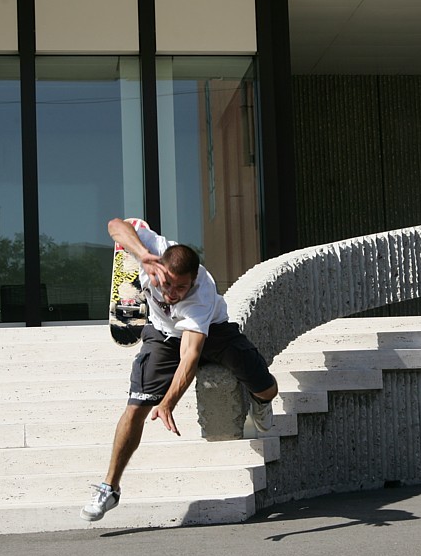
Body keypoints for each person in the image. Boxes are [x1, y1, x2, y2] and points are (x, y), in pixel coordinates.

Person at [81, 217, 279, 522]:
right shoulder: (155, 249)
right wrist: (140, 254)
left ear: (194, 279)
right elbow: (115, 225)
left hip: (213, 333)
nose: (171, 293)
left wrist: (169, 402)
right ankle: (109, 488)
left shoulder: (199, 297)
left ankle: (260, 403)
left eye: (180, 287)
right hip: (162, 336)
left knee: (267, 387)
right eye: (167, 283)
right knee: (134, 408)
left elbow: (190, 356)